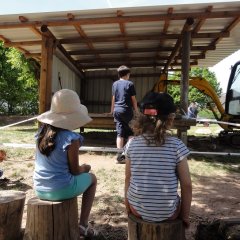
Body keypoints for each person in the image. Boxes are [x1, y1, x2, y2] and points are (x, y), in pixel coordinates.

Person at [34, 89, 98, 238]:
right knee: (93, 179)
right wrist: (86, 168)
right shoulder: (71, 138)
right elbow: (75, 170)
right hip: (60, 189)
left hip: (39, 188)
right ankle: (83, 224)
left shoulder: (41, 134)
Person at [124, 91, 192, 229]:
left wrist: (128, 208)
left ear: (141, 117)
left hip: (137, 210)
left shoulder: (131, 144)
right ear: (170, 118)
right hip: (169, 213)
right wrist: (184, 216)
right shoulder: (177, 146)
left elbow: (127, 178)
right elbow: (187, 185)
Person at [110, 65, 139, 163]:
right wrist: (137, 111)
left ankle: (119, 157)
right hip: (127, 110)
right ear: (127, 75)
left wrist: (112, 110)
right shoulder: (130, 84)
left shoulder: (115, 84)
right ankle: (127, 155)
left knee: (120, 133)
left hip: (117, 110)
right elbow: (133, 99)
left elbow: (113, 98)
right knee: (130, 133)